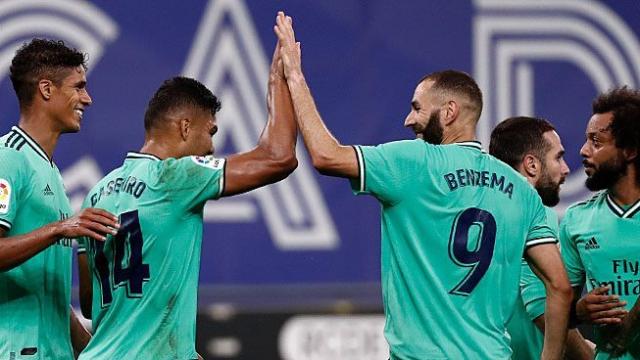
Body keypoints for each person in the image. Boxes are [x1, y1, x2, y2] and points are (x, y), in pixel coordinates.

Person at [273, 11, 572, 360]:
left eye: (417, 108)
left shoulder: (415, 163)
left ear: (449, 112)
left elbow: (325, 155)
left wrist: (294, 76)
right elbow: (561, 287)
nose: (408, 119)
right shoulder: (522, 191)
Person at [76, 41, 297, 359]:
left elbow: (89, 300)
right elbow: (279, 157)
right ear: (184, 127)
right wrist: (280, 82)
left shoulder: (96, 193)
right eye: (211, 132)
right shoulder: (174, 178)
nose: (210, 147)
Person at [0, 39, 119, 359]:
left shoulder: (49, 172)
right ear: (46, 89)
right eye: (78, 87)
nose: (87, 99)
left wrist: (102, 353)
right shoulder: (8, 159)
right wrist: (59, 228)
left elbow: (51, 299)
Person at [490, 116, 594, 359]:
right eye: (558, 157)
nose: (567, 168)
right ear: (532, 165)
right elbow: (543, 309)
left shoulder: (485, 210)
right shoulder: (534, 210)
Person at [561, 86, 640, 359]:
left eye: (597, 141)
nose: (583, 150)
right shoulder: (576, 220)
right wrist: (579, 311)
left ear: (629, 151)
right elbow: (559, 310)